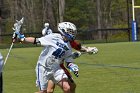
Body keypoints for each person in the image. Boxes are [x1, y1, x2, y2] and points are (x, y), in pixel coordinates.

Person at [14, 22, 81, 93]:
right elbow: (36, 40)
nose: (73, 34)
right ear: (63, 30)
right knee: (43, 92)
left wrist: (72, 66)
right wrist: (22, 39)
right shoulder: (54, 37)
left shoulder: (69, 45)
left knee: (67, 88)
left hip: (56, 68)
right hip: (43, 67)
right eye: (71, 31)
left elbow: (68, 60)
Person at [34, 23, 98, 93]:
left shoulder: (70, 41)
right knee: (49, 91)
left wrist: (88, 49)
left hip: (60, 66)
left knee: (72, 86)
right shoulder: (55, 38)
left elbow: (78, 48)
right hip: (52, 65)